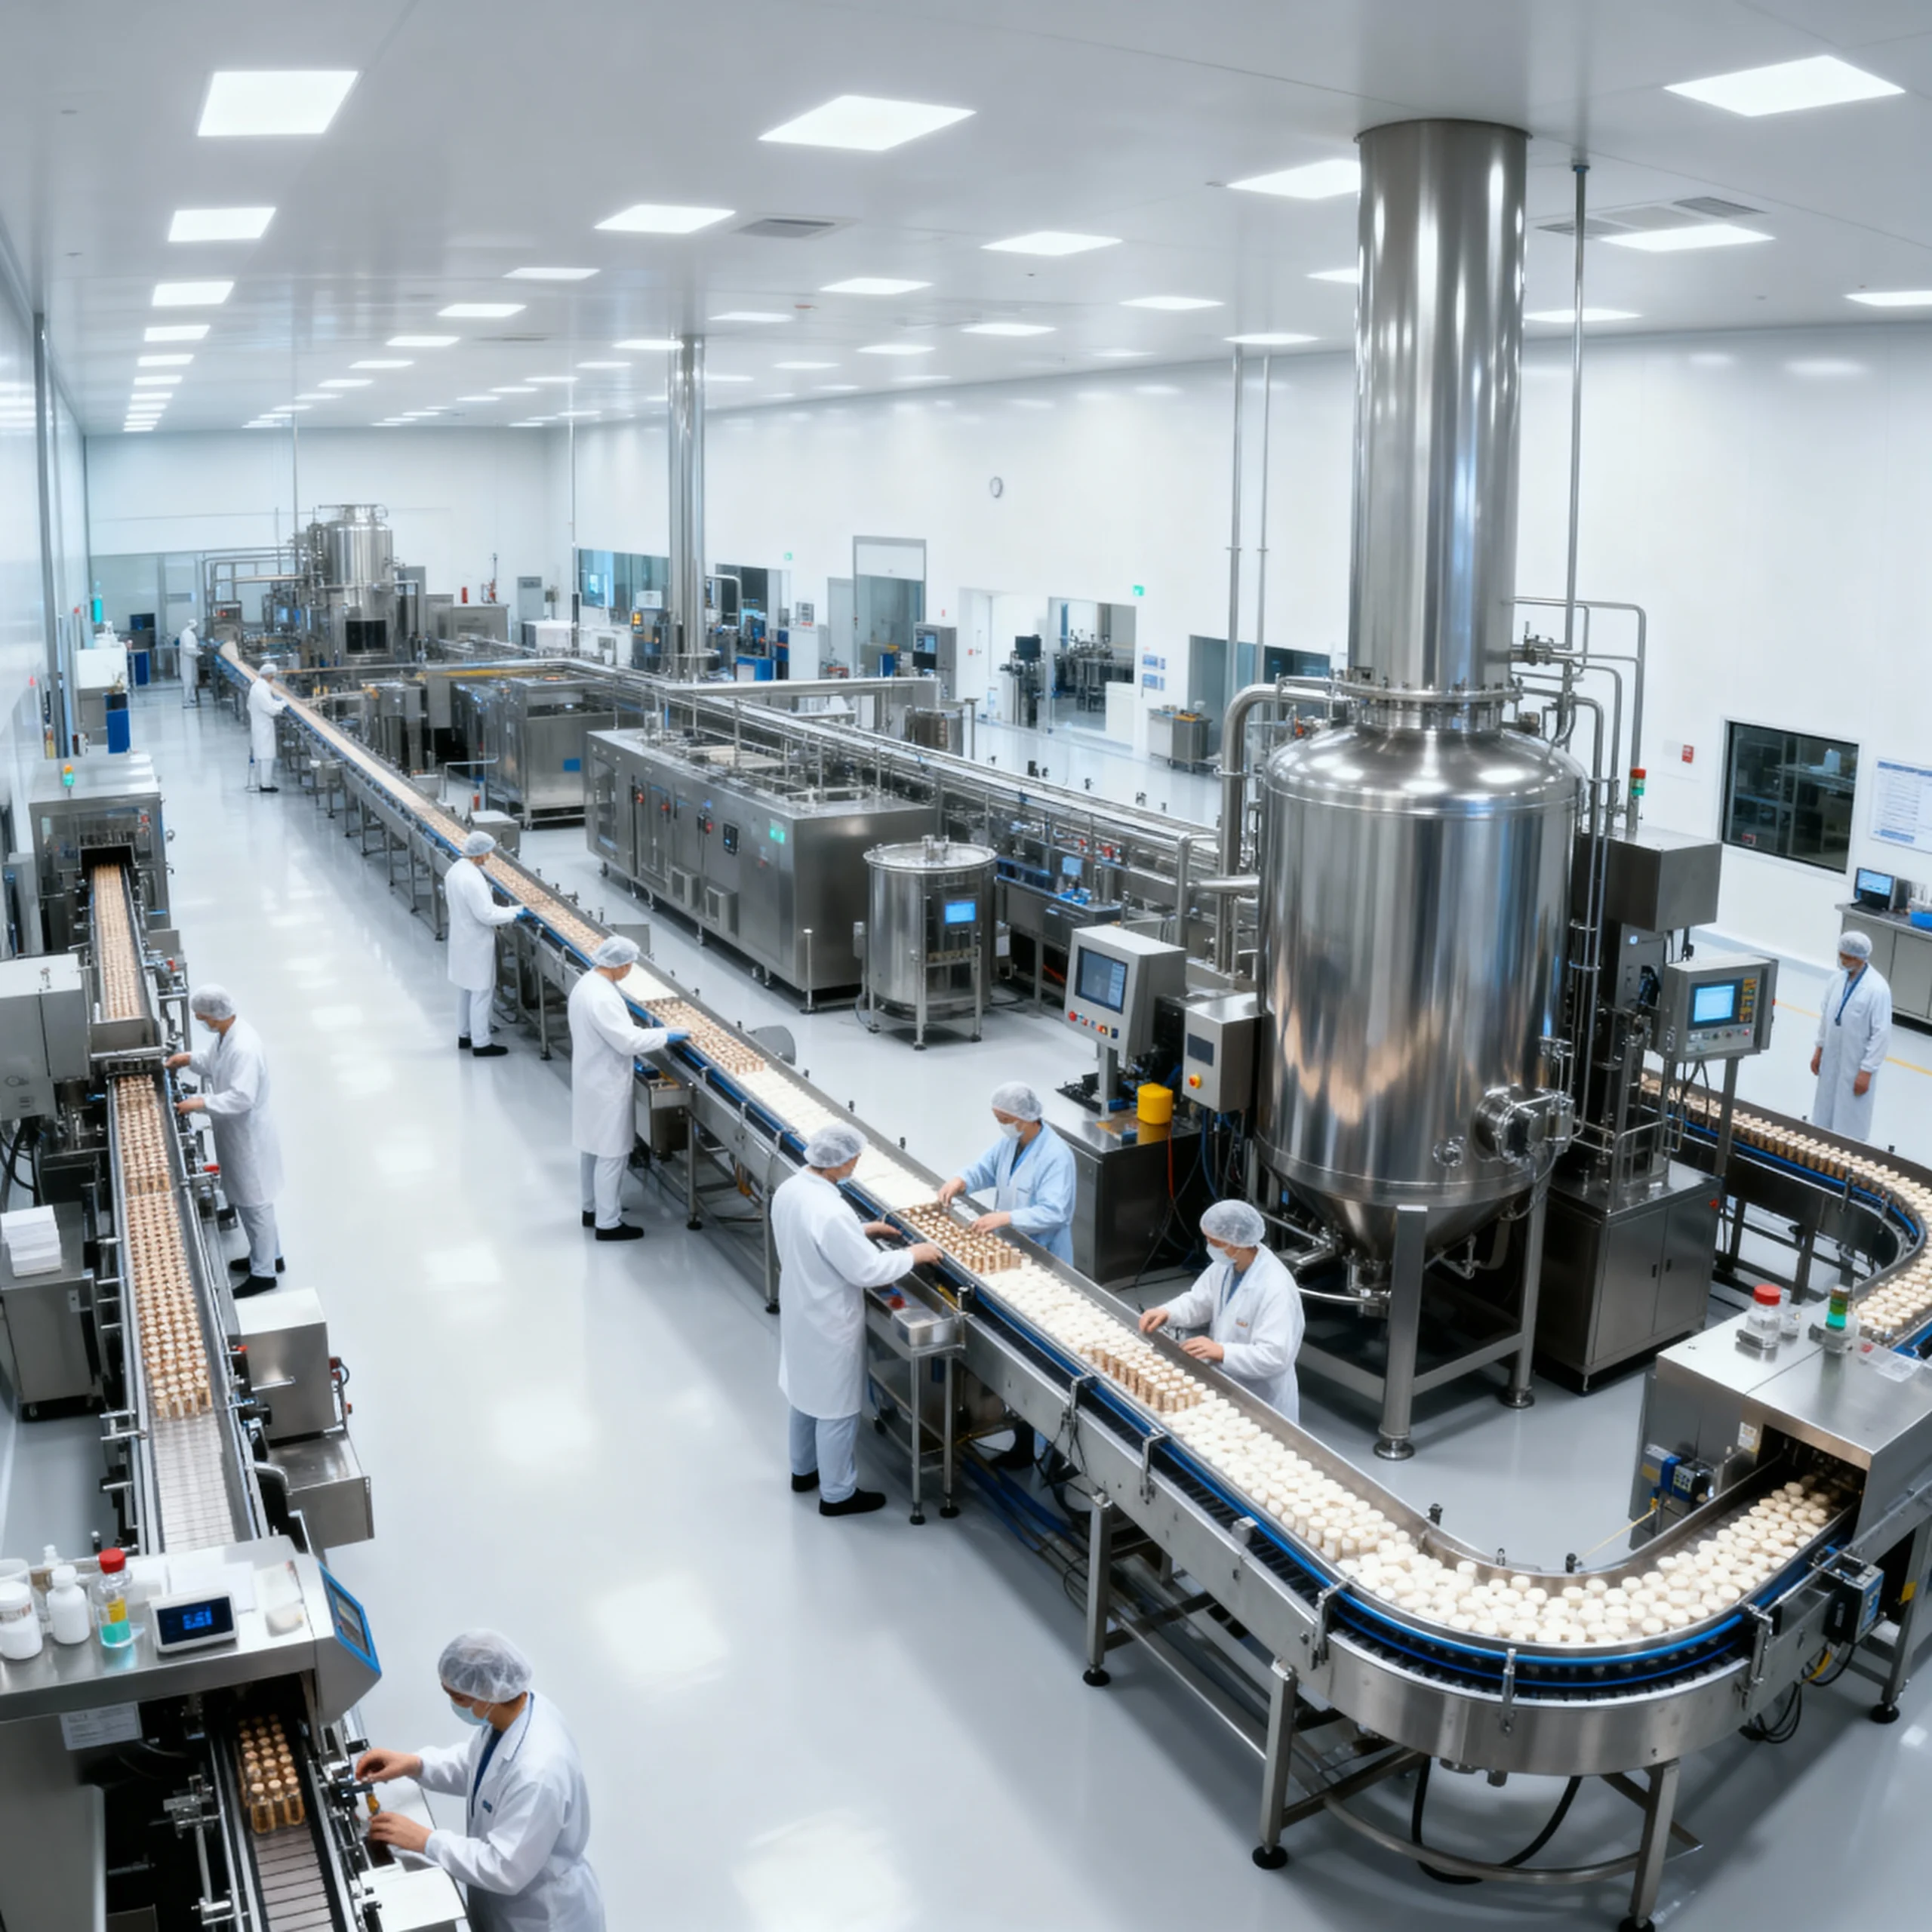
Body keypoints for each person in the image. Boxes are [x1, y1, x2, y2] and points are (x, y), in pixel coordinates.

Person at [355, 1629, 604, 1932]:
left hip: (541, 1917)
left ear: (488, 1695)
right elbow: (478, 1765)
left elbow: (505, 1868)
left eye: (458, 1697)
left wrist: (427, 1841)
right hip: (504, 1905)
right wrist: (416, 1764)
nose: (454, 1705)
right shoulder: (516, 1710)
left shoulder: (538, 1773)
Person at [773, 1124, 942, 1517]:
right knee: (836, 1407)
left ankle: (803, 1471)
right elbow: (865, 1270)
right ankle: (837, 1495)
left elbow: (814, 1237)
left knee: (804, 1396)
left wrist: (859, 1230)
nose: (855, 1164)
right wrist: (914, 1254)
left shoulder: (792, 1189)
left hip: (801, 1309)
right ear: (837, 1162)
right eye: (854, 1159)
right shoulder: (831, 1211)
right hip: (828, 1318)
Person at [165, 986, 285, 1296]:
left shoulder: (243, 1046)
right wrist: (188, 1059)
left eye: (201, 1016)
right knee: (252, 1203)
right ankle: (271, 1256)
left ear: (215, 1015)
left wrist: (201, 1103)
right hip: (238, 1133)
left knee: (255, 1204)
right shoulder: (229, 1034)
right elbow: (214, 1061)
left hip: (248, 1135)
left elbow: (241, 1097)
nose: (198, 1019)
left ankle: (264, 1274)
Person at [1138, 1200, 1306, 1421]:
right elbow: (1199, 1301)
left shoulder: (1275, 1287)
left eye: (1213, 1242)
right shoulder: (1227, 1264)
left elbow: (1275, 1356)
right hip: (1228, 1383)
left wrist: (1222, 1352)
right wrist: (1168, 1312)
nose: (1209, 1246)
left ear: (1236, 1243)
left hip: (1263, 1398)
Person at [566, 937, 684, 1241]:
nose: (629, 970)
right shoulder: (603, 998)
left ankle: (590, 1208)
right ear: (620, 965)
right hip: (605, 1084)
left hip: (589, 1076)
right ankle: (608, 1223)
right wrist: (665, 1035)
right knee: (612, 1153)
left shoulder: (587, 983)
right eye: (629, 966)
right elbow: (628, 1042)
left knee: (591, 1148)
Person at [937, 1082, 1077, 1263]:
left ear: (1024, 1118)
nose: (1002, 1125)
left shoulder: (1056, 1156)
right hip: (1010, 1243)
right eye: (998, 1119)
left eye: (1005, 1120)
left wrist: (1007, 1217)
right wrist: (961, 1180)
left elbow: (1055, 1213)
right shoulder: (1011, 1142)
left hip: (1044, 1251)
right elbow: (985, 1169)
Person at [447, 832, 523, 1057]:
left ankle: (464, 1035)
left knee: (466, 990)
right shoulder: (472, 878)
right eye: (488, 853)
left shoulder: (456, 870)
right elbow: (486, 915)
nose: (489, 857)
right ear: (479, 854)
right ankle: (481, 1043)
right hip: (475, 941)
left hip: (462, 938)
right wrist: (517, 912)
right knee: (481, 991)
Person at [1812, 928, 1893, 1140]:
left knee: (1850, 1121)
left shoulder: (1877, 989)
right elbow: (1826, 1018)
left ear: (1860, 958)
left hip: (1855, 1064)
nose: (1842, 961)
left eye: (1847, 957)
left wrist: (1867, 1071)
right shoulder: (1836, 981)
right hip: (1831, 1059)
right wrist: (1818, 1050)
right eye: (1841, 955)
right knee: (1824, 1113)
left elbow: (1881, 1034)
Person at [248, 663, 291, 792]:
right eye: (273, 677)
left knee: (262, 754)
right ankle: (266, 785)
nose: (274, 680)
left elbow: (268, 704)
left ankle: (262, 782)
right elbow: (270, 709)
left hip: (260, 724)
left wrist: (278, 703)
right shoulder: (261, 689)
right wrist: (283, 705)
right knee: (266, 755)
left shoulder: (259, 686)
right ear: (268, 676)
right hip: (263, 726)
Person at [178, 620, 201, 707]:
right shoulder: (186, 634)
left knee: (193, 679)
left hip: (191, 659)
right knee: (188, 680)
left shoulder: (190, 634)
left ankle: (192, 698)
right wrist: (197, 652)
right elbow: (187, 648)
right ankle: (186, 701)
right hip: (187, 660)